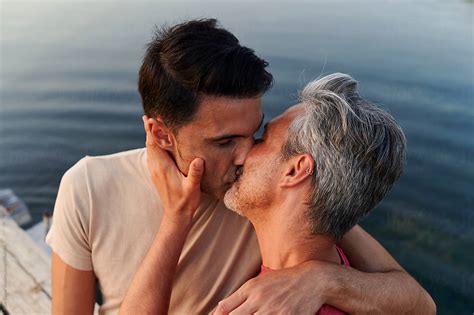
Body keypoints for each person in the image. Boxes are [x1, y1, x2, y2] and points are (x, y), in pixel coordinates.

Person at [47, 19, 436, 314]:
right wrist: (177, 216)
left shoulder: (262, 197)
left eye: (256, 133)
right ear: (161, 134)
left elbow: (417, 302)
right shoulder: (89, 187)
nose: (245, 154)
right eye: (224, 141)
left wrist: (321, 279)